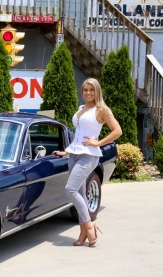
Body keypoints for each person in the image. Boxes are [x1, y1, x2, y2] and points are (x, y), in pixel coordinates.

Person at [53, 78, 122, 247]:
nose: (88, 93)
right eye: (85, 90)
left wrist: (98, 143)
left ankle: (89, 225)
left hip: (89, 156)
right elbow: (77, 134)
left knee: (70, 189)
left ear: (97, 91)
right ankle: (83, 231)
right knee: (81, 194)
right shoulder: (81, 109)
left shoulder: (102, 110)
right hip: (74, 154)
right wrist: (66, 151)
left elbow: (117, 131)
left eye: (91, 89)